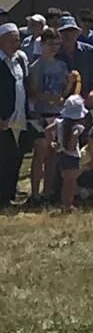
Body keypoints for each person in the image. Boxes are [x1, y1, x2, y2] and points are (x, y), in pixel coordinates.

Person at [27, 28, 77, 205]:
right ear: (42, 44)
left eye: (57, 44)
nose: (54, 47)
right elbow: (33, 92)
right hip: (40, 114)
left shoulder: (61, 65)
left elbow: (63, 93)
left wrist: (69, 85)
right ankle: (34, 193)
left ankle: (47, 192)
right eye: (50, 44)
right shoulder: (35, 66)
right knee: (40, 152)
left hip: (57, 114)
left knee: (52, 156)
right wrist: (49, 98)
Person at [0, 22, 28, 208]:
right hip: (3, 118)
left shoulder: (19, 59)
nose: (15, 43)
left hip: (19, 116)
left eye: (17, 39)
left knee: (15, 157)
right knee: (4, 157)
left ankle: (9, 193)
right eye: (11, 40)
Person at [54, 94, 88, 212]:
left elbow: (48, 130)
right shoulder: (77, 126)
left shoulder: (59, 122)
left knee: (65, 182)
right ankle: (68, 205)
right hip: (72, 156)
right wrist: (71, 146)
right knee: (71, 183)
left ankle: (65, 204)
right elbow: (74, 136)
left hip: (61, 155)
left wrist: (52, 143)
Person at [57, 15, 93, 99]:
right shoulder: (54, 54)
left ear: (78, 33)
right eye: (63, 31)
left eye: (71, 31)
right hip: (60, 103)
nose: (68, 35)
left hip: (85, 101)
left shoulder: (90, 51)